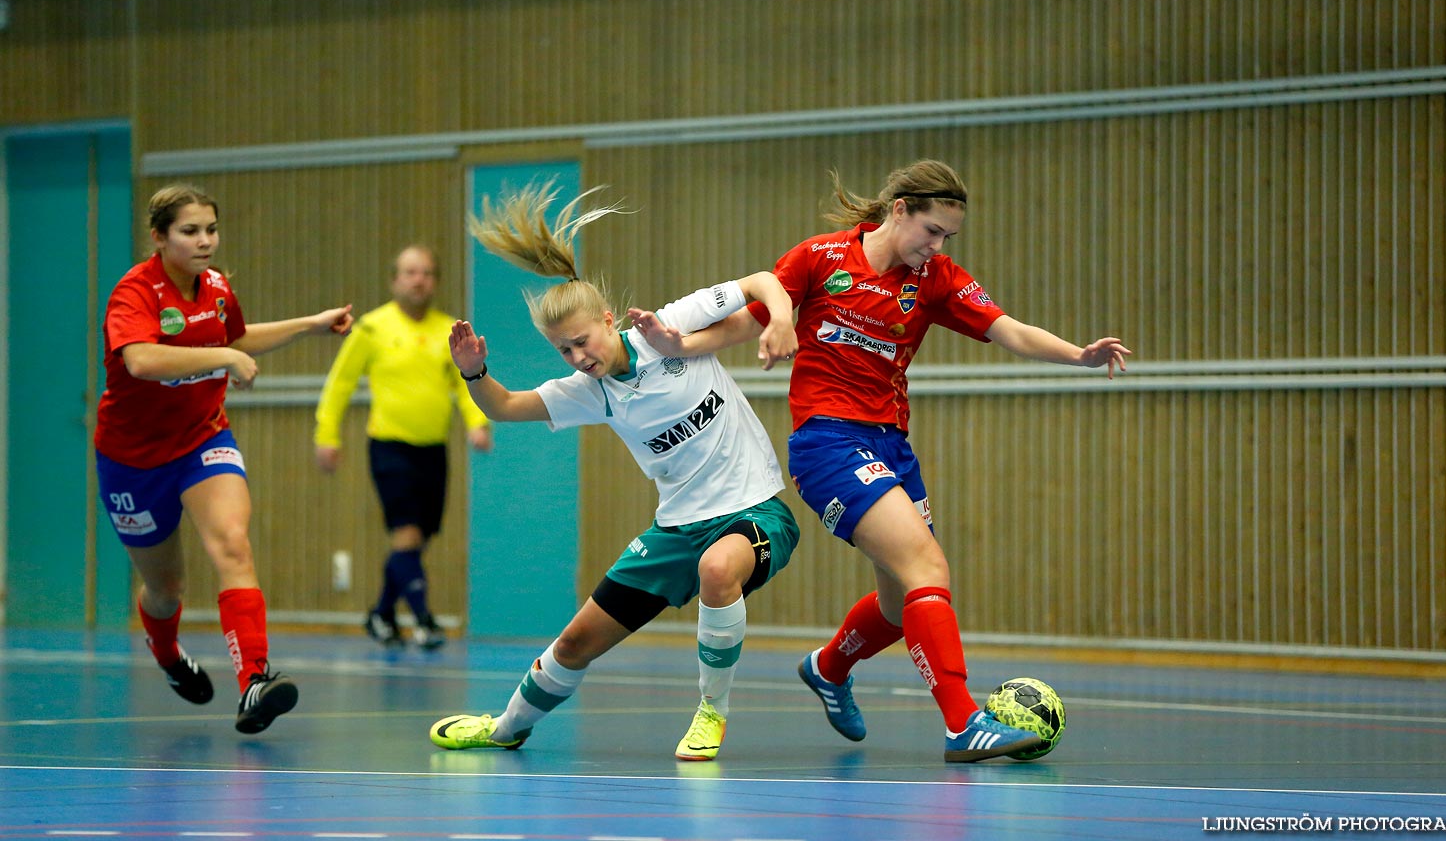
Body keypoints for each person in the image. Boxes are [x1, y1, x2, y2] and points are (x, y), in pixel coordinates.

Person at [632, 159, 1130, 763]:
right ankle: (962, 723)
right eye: (932, 231)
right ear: (900, 211)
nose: (937, 246)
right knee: (928, 568)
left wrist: (1078, 355)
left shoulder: (937, 278)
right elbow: (746, 322)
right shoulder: (821, 258)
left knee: (899, 607)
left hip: (892, 445)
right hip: (828, 443)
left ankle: (828, 667)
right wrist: (677, 345)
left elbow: (1009, 330)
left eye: (948, 237)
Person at [426, 183, 800, 761]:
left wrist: (780, 319)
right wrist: (475, 374)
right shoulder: (590, 392)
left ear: (607, 320)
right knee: (576, 640)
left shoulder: (670, 327)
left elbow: (761, 281)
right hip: (676, 528)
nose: (578, 358)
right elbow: (506, 407)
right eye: (563, 352)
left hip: (755, 511)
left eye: (582, 342)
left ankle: (712, 711)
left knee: (718, 567)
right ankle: (506, 727)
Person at [94, 184, 355, 733]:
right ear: (159, 237)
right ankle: (167, 655)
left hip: (202, 441)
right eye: (190, 231)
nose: (205, 241)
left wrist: (310, 323)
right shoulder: (134, 292)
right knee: (166, 590)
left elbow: (238, 337)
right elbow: (141, 361)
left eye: (211, 229)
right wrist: (224, 355)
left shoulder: (215, 288)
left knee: (233, 544)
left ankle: (254, 683)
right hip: (133, 460)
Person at [314, 245, 493, 650]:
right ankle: (425, 621)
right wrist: (327, 435)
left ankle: (381, 614)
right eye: (411, 272)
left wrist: (477, 422)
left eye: (427, 273)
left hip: (434, 449)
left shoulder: (449, 330)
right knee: (407, 533)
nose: (419, 280)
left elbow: (464, 384)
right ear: (395, 279)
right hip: (390, 446)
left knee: (418, 539)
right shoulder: (372, 328)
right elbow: (339, 385)